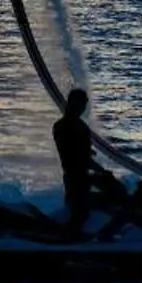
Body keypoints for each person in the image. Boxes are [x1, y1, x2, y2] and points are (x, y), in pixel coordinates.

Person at [53, 87, 96, 232]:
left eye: (84, 105)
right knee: (79, 211)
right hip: (75, 175)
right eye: (81, 105)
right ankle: (72, 238)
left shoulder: (78, 126)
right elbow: (74, 154)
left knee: (78, 207)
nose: (83, 109)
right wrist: (99, 170)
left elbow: (79, 151)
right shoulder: (68, 126)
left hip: (77, 174)